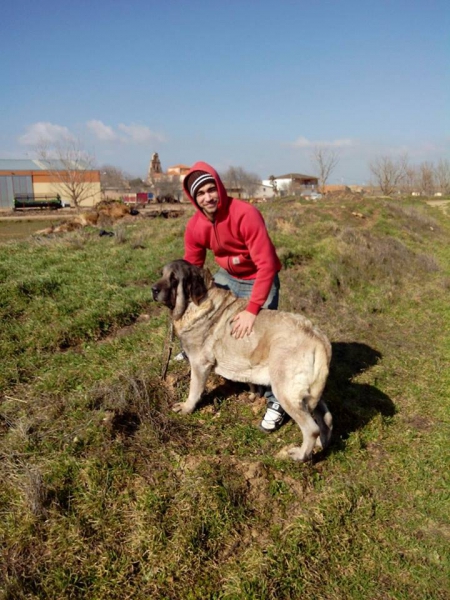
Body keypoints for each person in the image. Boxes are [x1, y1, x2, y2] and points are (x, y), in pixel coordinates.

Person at [181, 161, 286, 433]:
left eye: (210, 189)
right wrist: (180, 297)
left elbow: (267, 265)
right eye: (200, 194)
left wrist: (252, 309)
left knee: (262, 339)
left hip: (258, 277)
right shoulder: (195, 226)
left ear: (219, 186)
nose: (207, 197)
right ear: (194, 199)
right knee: (211, 317)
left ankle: (278, 401)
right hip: (227, 276)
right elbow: (193, 266)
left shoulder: (245, 214)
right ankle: (198, 350)